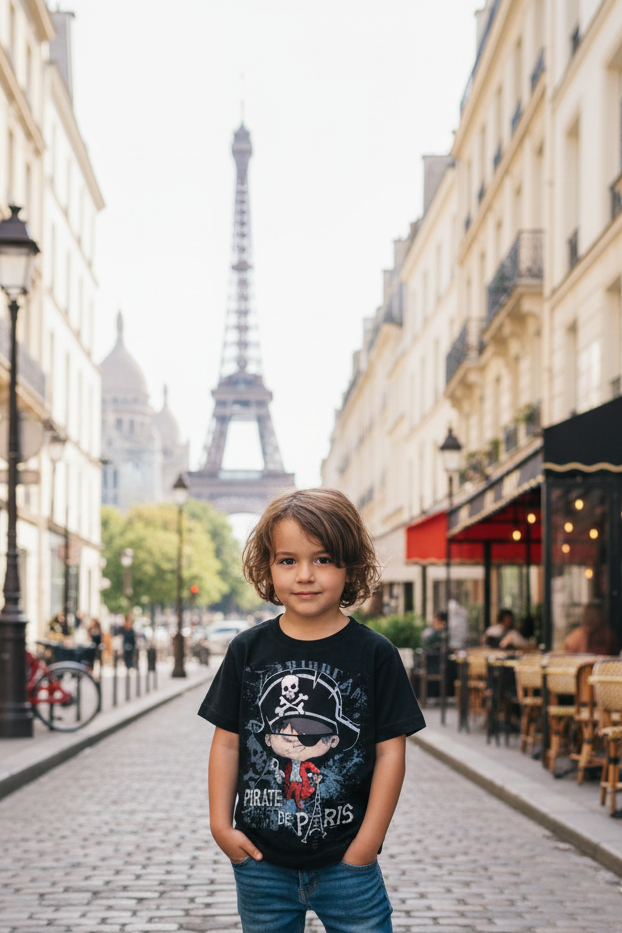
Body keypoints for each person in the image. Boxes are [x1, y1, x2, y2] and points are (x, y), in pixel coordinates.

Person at [199, 488, 425, 933]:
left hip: (348, 864)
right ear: (267, 567)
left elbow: (390, 754)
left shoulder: (376, 653)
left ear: (350, 567)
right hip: (261, 863)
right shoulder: (247, 649)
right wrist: (220, 828)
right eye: (288, 560)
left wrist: (367, 844)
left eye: (322, 559)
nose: (305, 574)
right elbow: (226, 743)